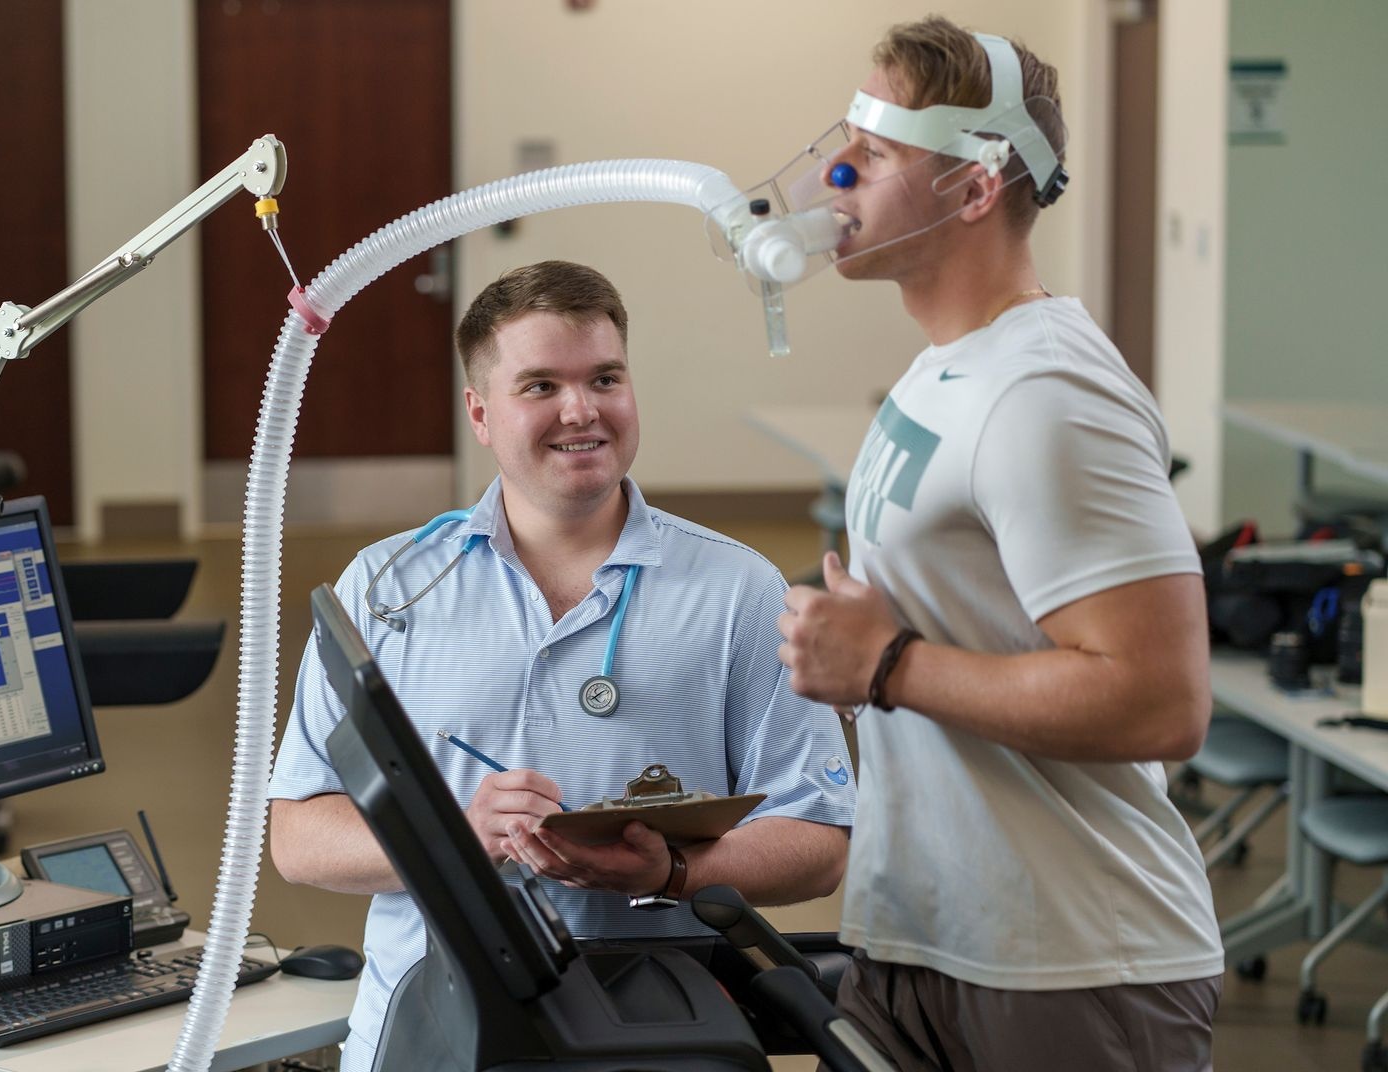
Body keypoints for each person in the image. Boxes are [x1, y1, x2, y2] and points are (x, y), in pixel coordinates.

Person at [270, 259, 855, 1072]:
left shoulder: (737, 591)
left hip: (653, 1034)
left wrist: (677, 868)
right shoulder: (389, 587)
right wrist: (458, 840)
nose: (581, 411)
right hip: (433, 1031)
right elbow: (299, 837)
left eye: (604, 378)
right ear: (481, 412)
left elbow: (820, 839)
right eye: (539, 385)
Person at [775, 17, 1223, 1071]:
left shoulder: (1044, 391)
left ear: (974, 188)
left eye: (873, 154)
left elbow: (1162, 700)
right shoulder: (947, 366)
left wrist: (889, 664)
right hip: (931, 939)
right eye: (843, 139)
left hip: (1069, 964)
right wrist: (859, 657)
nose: (832, 172)